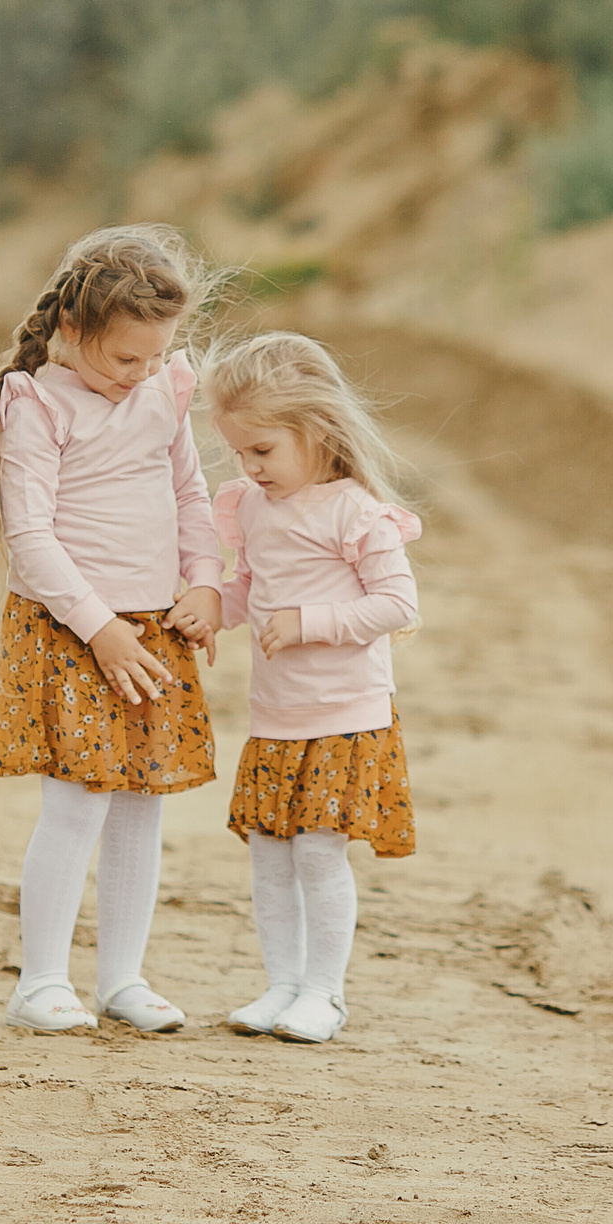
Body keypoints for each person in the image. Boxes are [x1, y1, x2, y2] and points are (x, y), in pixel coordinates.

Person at [0, 225, 226, 1034]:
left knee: (141, 806)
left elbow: (191, 495)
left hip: (153, 629)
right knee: (77, 804)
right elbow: (33, 539)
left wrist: (205, 583)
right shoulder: (37, 403)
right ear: (75, 331)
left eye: (157, 357)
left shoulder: (164, 391)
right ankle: (41, 980)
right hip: (74, 630)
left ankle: (122, 978)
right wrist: (100, 626)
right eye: (127, 359)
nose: (144, 373)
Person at [206, 333, 421, 1044]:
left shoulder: (354, 513)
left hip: (343, 715)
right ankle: (282, 985)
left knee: (318, 853)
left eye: (262, 450)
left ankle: (324, 995)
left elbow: (398, 606)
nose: (248, 466)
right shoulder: (254, 509)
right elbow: (251, 590)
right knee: (269, 853)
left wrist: (312, 623)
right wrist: (211, 608)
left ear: (317, 429)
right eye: (239, 452)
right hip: (275, 717)